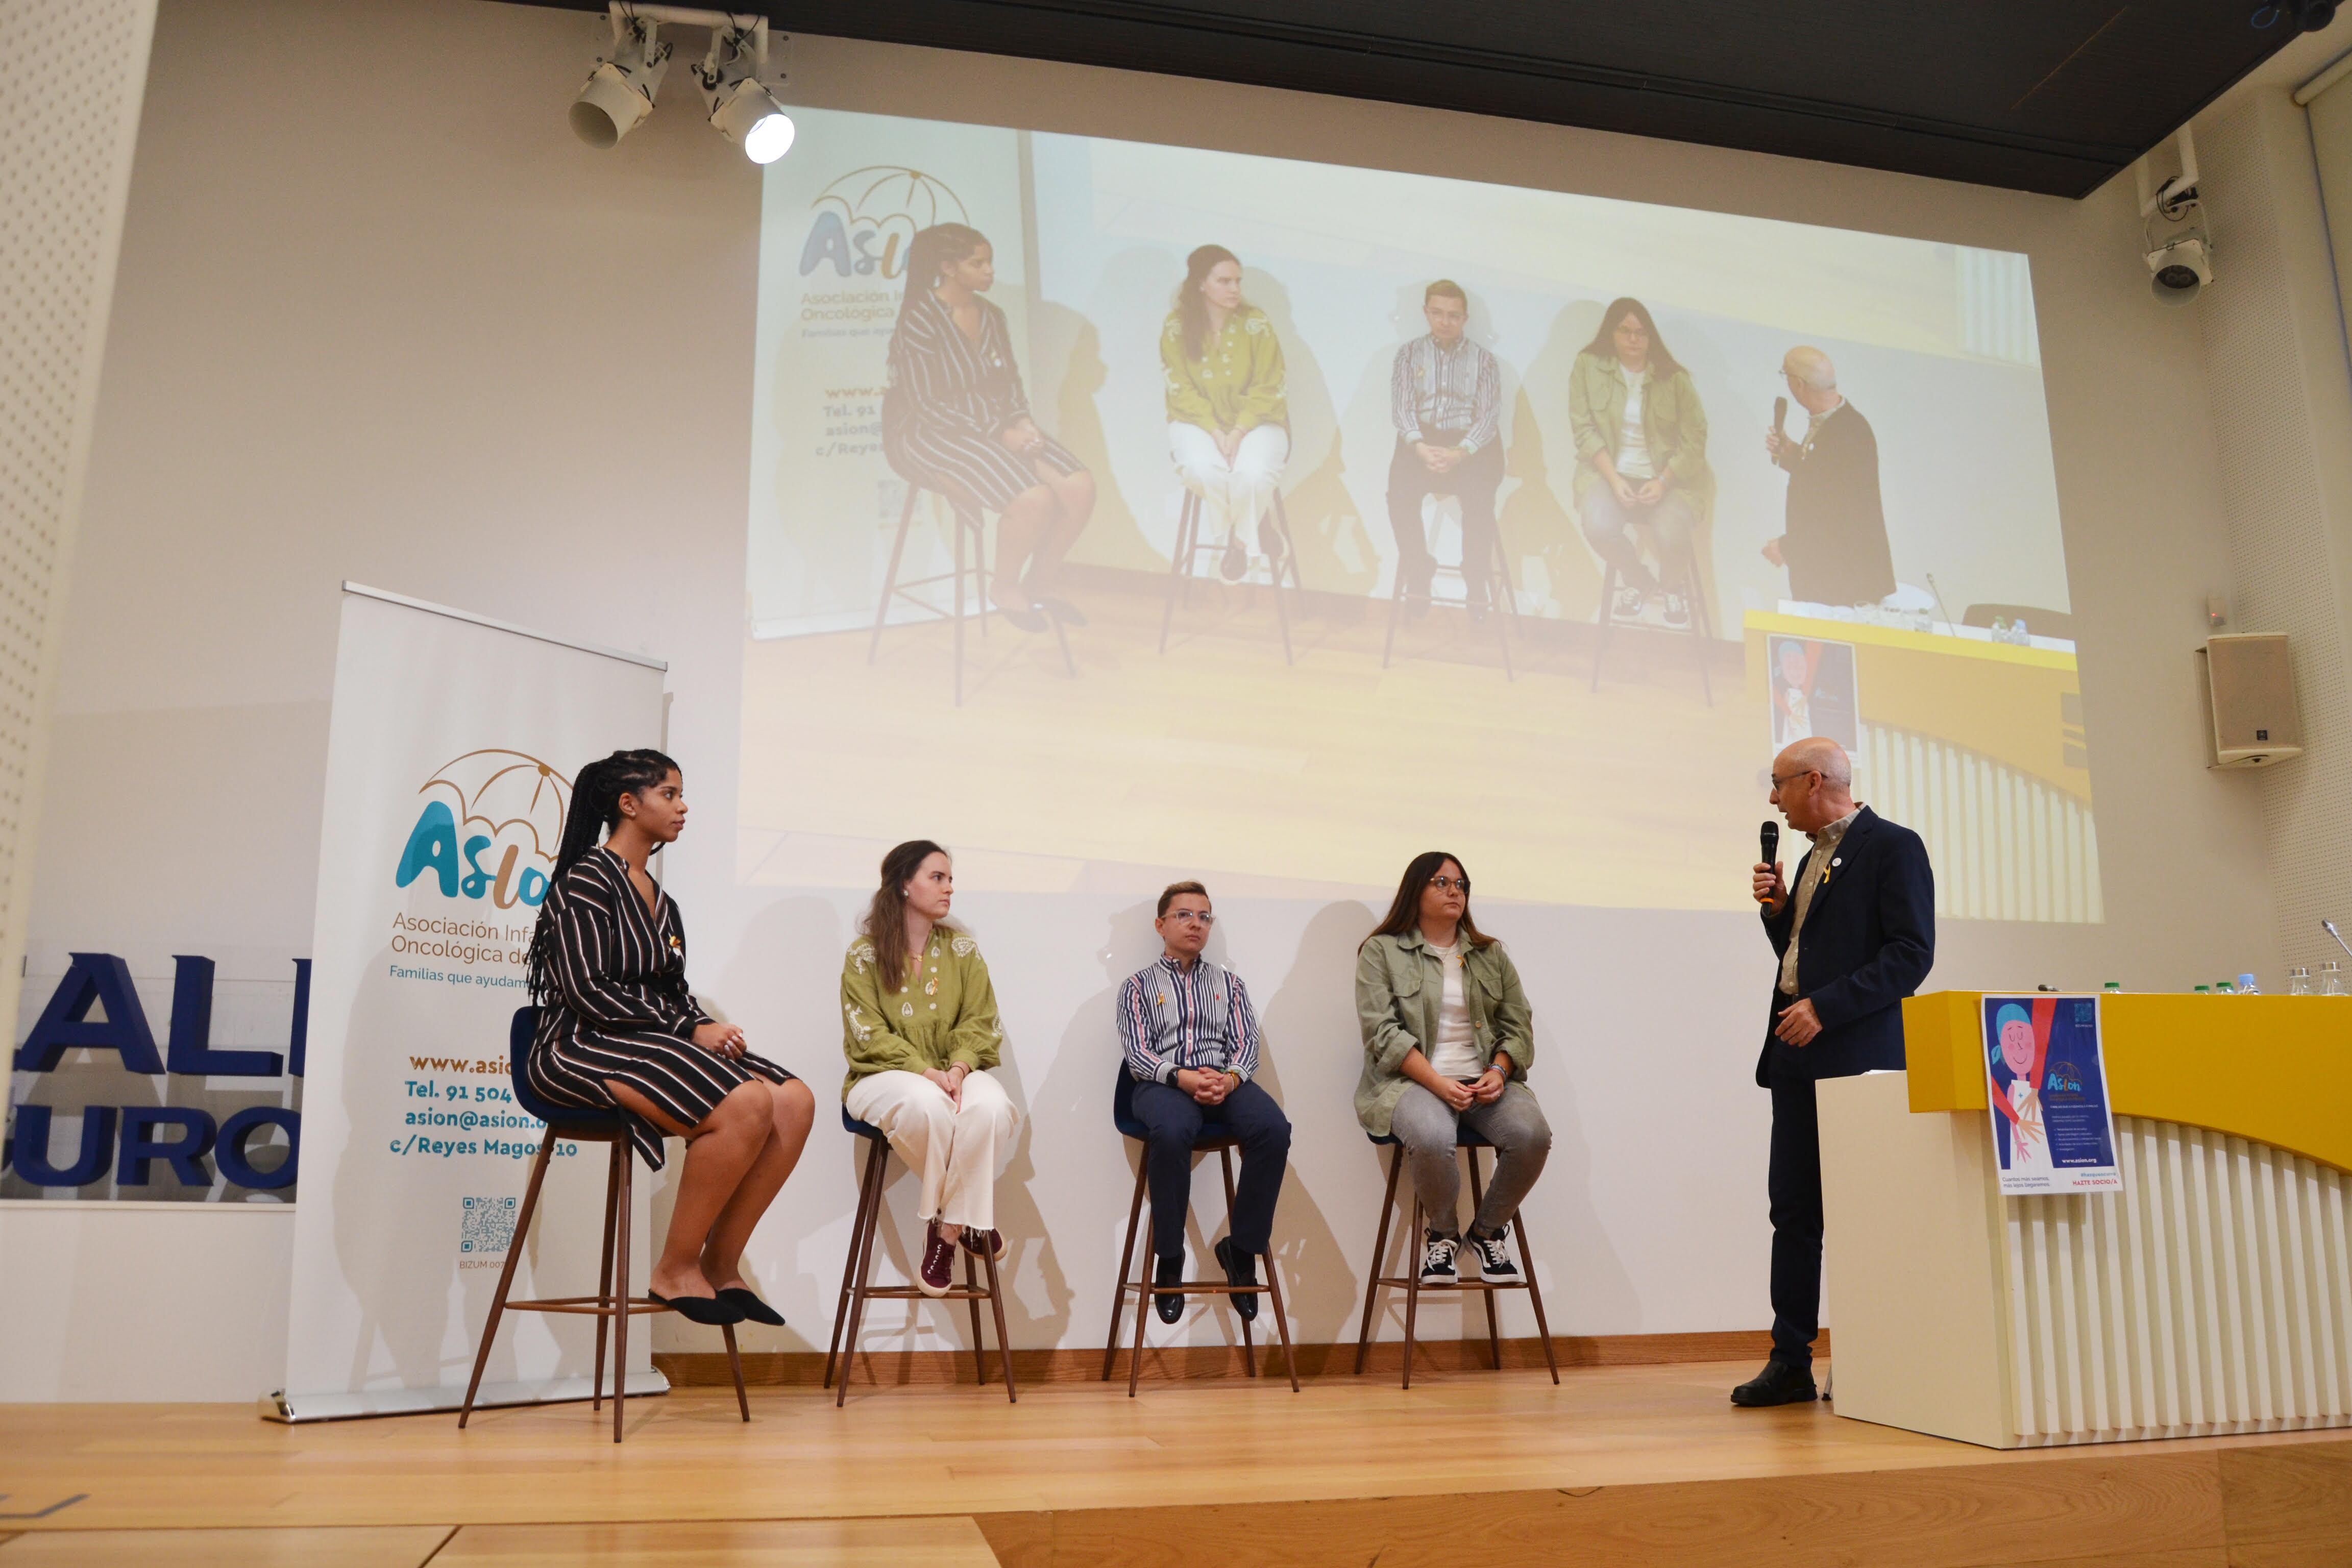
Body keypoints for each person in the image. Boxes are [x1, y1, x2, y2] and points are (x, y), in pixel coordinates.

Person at [527, 749, 814, 1327]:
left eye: (682, 796)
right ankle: (674, 1269)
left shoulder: (664, 902)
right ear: (629, 805)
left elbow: (673, 993)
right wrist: (689, 1028)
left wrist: (704, 1028)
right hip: (580, 1044)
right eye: (670, 795)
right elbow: (586, 990)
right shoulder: (585, 882)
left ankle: (722, 1264)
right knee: (745, 1101)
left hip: (643, 1040)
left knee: (793, 1100)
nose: (683, 808)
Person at [1739, 736, 1934, 1407]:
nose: (1773, 798)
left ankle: (1879, 1359)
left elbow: (1911, 956)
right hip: (1797, 1057)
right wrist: (1776, 915)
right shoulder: (1809, 859)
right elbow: (1802, 955)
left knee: (1866, 1214)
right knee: (1793, 1213)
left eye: (1778, 784)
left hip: (1859, 1064)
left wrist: (1827, 1008)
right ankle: (1790, 1359)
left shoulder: (1893, 847)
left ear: (1814, 779)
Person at [882, 223, 1096, 631]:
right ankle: (1004, 587)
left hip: (997, 423)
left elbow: (1009, 380)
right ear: (948, 267)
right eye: (977, 263)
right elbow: (928, 404)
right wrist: (1002, 434)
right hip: (932, 432)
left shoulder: (991, 315)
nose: (989, 271)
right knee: (1033, 500)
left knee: (1079, 486)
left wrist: (1023, 420)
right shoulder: (920, 320)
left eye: (990, 262)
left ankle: (1041, 582)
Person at [1354, 852, 1550, 1285]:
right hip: (1412, 1081)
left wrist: (1498, 1072)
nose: (1454, 892)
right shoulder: (1380, 951)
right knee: (1430, 1134)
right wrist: (1440, 1085)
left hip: (1484, 1080)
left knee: (1532, 1135)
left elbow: (1519, 1025)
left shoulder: (1489, 953)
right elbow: (1382, 1033)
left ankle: (1486, 1232)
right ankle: (1442, 1235)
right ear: (1416, 889)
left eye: (1461, 885)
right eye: (1441, 883)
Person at [840, 839, 1020, 1297]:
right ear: (904, 884)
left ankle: (947, 1230)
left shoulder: (964, 950)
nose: (949, 889)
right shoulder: (863, 955)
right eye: (937, 878)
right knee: (928, 1105)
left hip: (953, 1072)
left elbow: (980, 1020)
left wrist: (958, 1070)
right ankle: (969, 1218)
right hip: (880, 1077)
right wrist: (925, 1071)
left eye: (950, 879)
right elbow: (869, 1035)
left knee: (994, 1108)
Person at [1117, 881, 1291, 1324]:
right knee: (1172, 1131)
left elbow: (1247, 1044)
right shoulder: (1136, 987)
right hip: (1163, 1084)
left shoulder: (1229, 984)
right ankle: (1170, 1259)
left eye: (1204, 916)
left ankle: (1242, 1248)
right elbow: (1138, 1054)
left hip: (1223, 1081)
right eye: (1184, 915)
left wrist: (1230, 1080)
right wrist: (1184, 1078)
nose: (1196, 923)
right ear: (1161, 925)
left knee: (1274, 1129)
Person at [1570, 297, 1713, 628]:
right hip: (1607, 475)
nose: (1634, 340)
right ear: (1611, 332)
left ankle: (1673, 587)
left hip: (1669, 480)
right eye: (1625, 331)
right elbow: (1583, 429)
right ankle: (1639, 581)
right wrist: (1615, 480)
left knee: (1671, 533)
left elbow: (1695, 441)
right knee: (1598, 526)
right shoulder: (1587, 365)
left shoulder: (1674, 378)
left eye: (1641, 333)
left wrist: (1663, 482)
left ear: (1651, 337)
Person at [1162, 244, 1289, 583]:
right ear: (1201, 283)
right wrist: (1215, 431)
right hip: (1196, 422)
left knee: (1251, 474)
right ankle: (1257, 524)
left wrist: (1238, 431)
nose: (1235, 289)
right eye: (1224, 281)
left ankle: (1238, 542)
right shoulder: (1176, 327)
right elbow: (1179, 388)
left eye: (1238, 281)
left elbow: (1270, 384)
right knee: (1204, 470)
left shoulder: (1256, 324)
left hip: (1259, 422)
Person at [1387, 280, 1507, 618]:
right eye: (1437, 313)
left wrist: (1460, 452)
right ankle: (1419, 571)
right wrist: (1420, 446)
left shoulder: (1484, 360)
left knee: (1480, 504)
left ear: (1465, 318)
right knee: (1398, 497)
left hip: (1472, 445)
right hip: (1421, 440)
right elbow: (1402, 409)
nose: (1445, 322)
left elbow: (1488, 415)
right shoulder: (1408, 354)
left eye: (1454, 316)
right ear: (1426, 313)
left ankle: (1476, 581)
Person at [1762, 347, 1897, 608]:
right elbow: (1824, 480)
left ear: (1798, 384)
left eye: (1785, 375)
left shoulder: (1849, 435)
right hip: (1831, 575)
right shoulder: (1838, 425)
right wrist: (1792, 455)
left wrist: (1788, 548)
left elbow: (1838, 512)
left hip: (1844, 583)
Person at [1989, 1003, 2050, 1173]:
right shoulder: (2013, 1089)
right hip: (2024, 1147)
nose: (2020, 1046)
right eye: (2011, 1039)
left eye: (2023, 1036)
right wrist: (2018, 1141)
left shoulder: (2035, 1088)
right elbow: (2011, 1119)